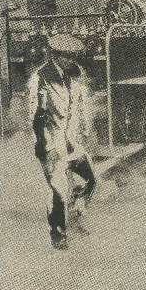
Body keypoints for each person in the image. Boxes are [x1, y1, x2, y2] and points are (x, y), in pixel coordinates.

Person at [27, 33, 96, 249]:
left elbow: (78, 105)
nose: (70, 60)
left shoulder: (72, 76)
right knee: (59, 190)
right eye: (65, 56)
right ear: (55, 55)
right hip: (51, 143)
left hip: (71, 142)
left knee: (90, 180)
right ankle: (58, 234)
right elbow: (36, 115)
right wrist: (42, 145)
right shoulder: (41, 78)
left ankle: (75, 217)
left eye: (72, 56)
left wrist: (83, 129)